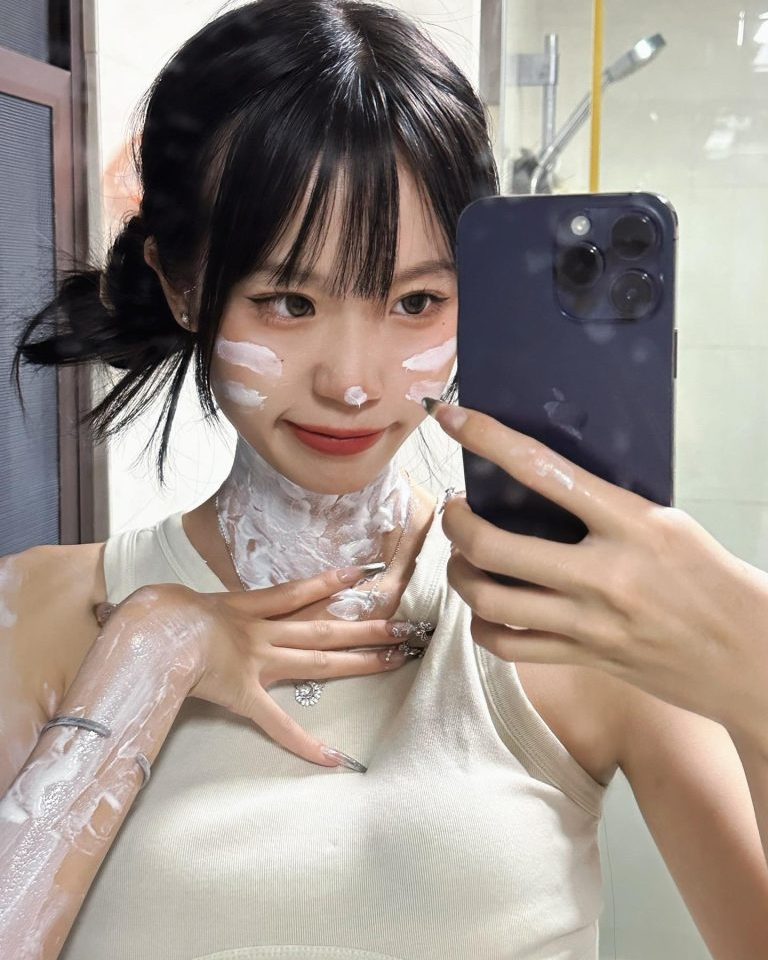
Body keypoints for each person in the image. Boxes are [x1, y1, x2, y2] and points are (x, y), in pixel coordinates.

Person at [1, 2, 767, 958]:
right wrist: (149, 656)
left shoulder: (577, 623)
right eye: (290, 301)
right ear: (183, 284)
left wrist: (755, 659)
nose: (353, 383)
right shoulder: (39, 616)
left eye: (416, 301)